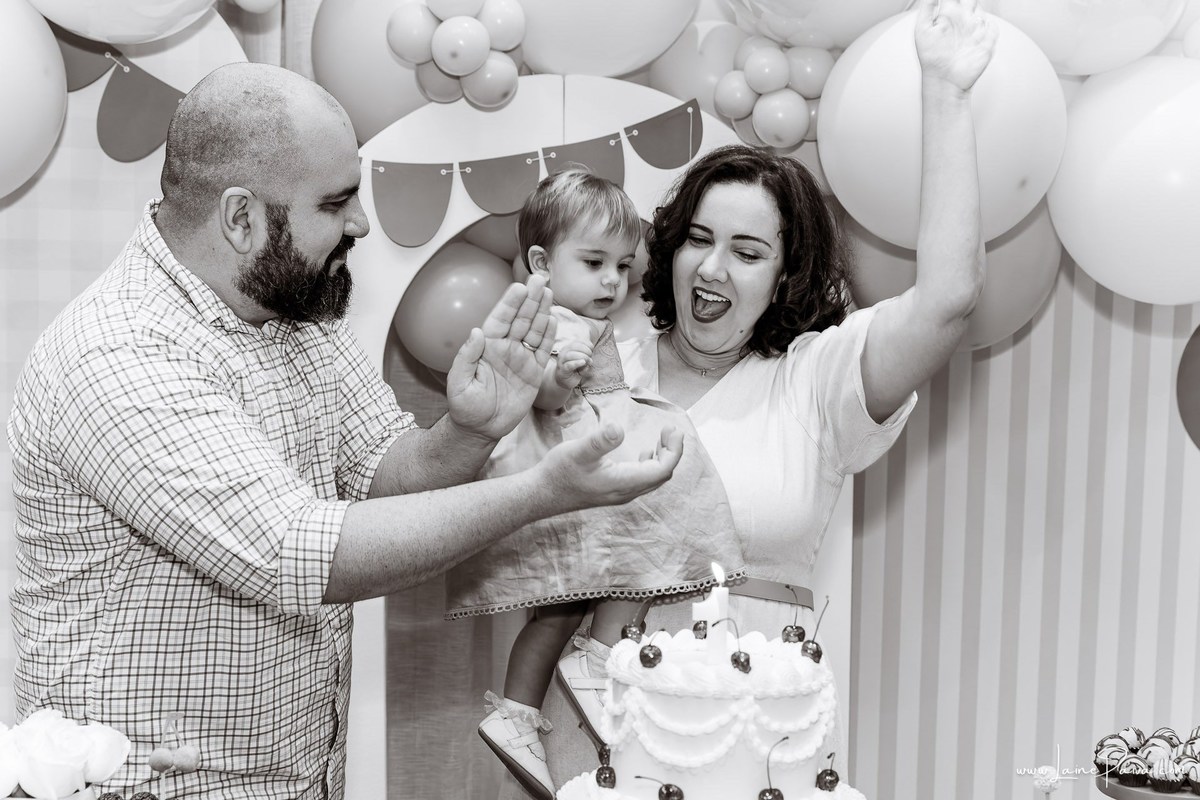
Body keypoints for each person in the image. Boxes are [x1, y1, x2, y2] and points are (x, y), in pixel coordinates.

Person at [5, 63, 685, 800]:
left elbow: (382, 476)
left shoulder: (296, 315)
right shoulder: (122, 353)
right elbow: (302, 554)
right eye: (336, 203)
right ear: (242, 218)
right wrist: (543, 492)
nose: (361, 223)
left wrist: (471, 428)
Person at [531, 0, 998, 789]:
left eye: (747, 252)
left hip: (761, 751)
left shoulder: (817, 379)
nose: (713, 270)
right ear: (671, 248)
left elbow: (948, 300)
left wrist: (945, 93)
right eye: (700, 241)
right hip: (601, 720)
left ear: (783, 275)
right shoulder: (600, 368)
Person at [445, 168, 743, 798]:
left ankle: (519, 711)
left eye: (623, 265)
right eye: (594, 262)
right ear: (539, 262)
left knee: (559, 609)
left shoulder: (579, 315)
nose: (613, 280)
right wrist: (563, 375)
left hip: (580, 457)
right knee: (639, 555)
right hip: (571, 461)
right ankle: (594, 660)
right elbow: (543, 393)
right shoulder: (556, 321)